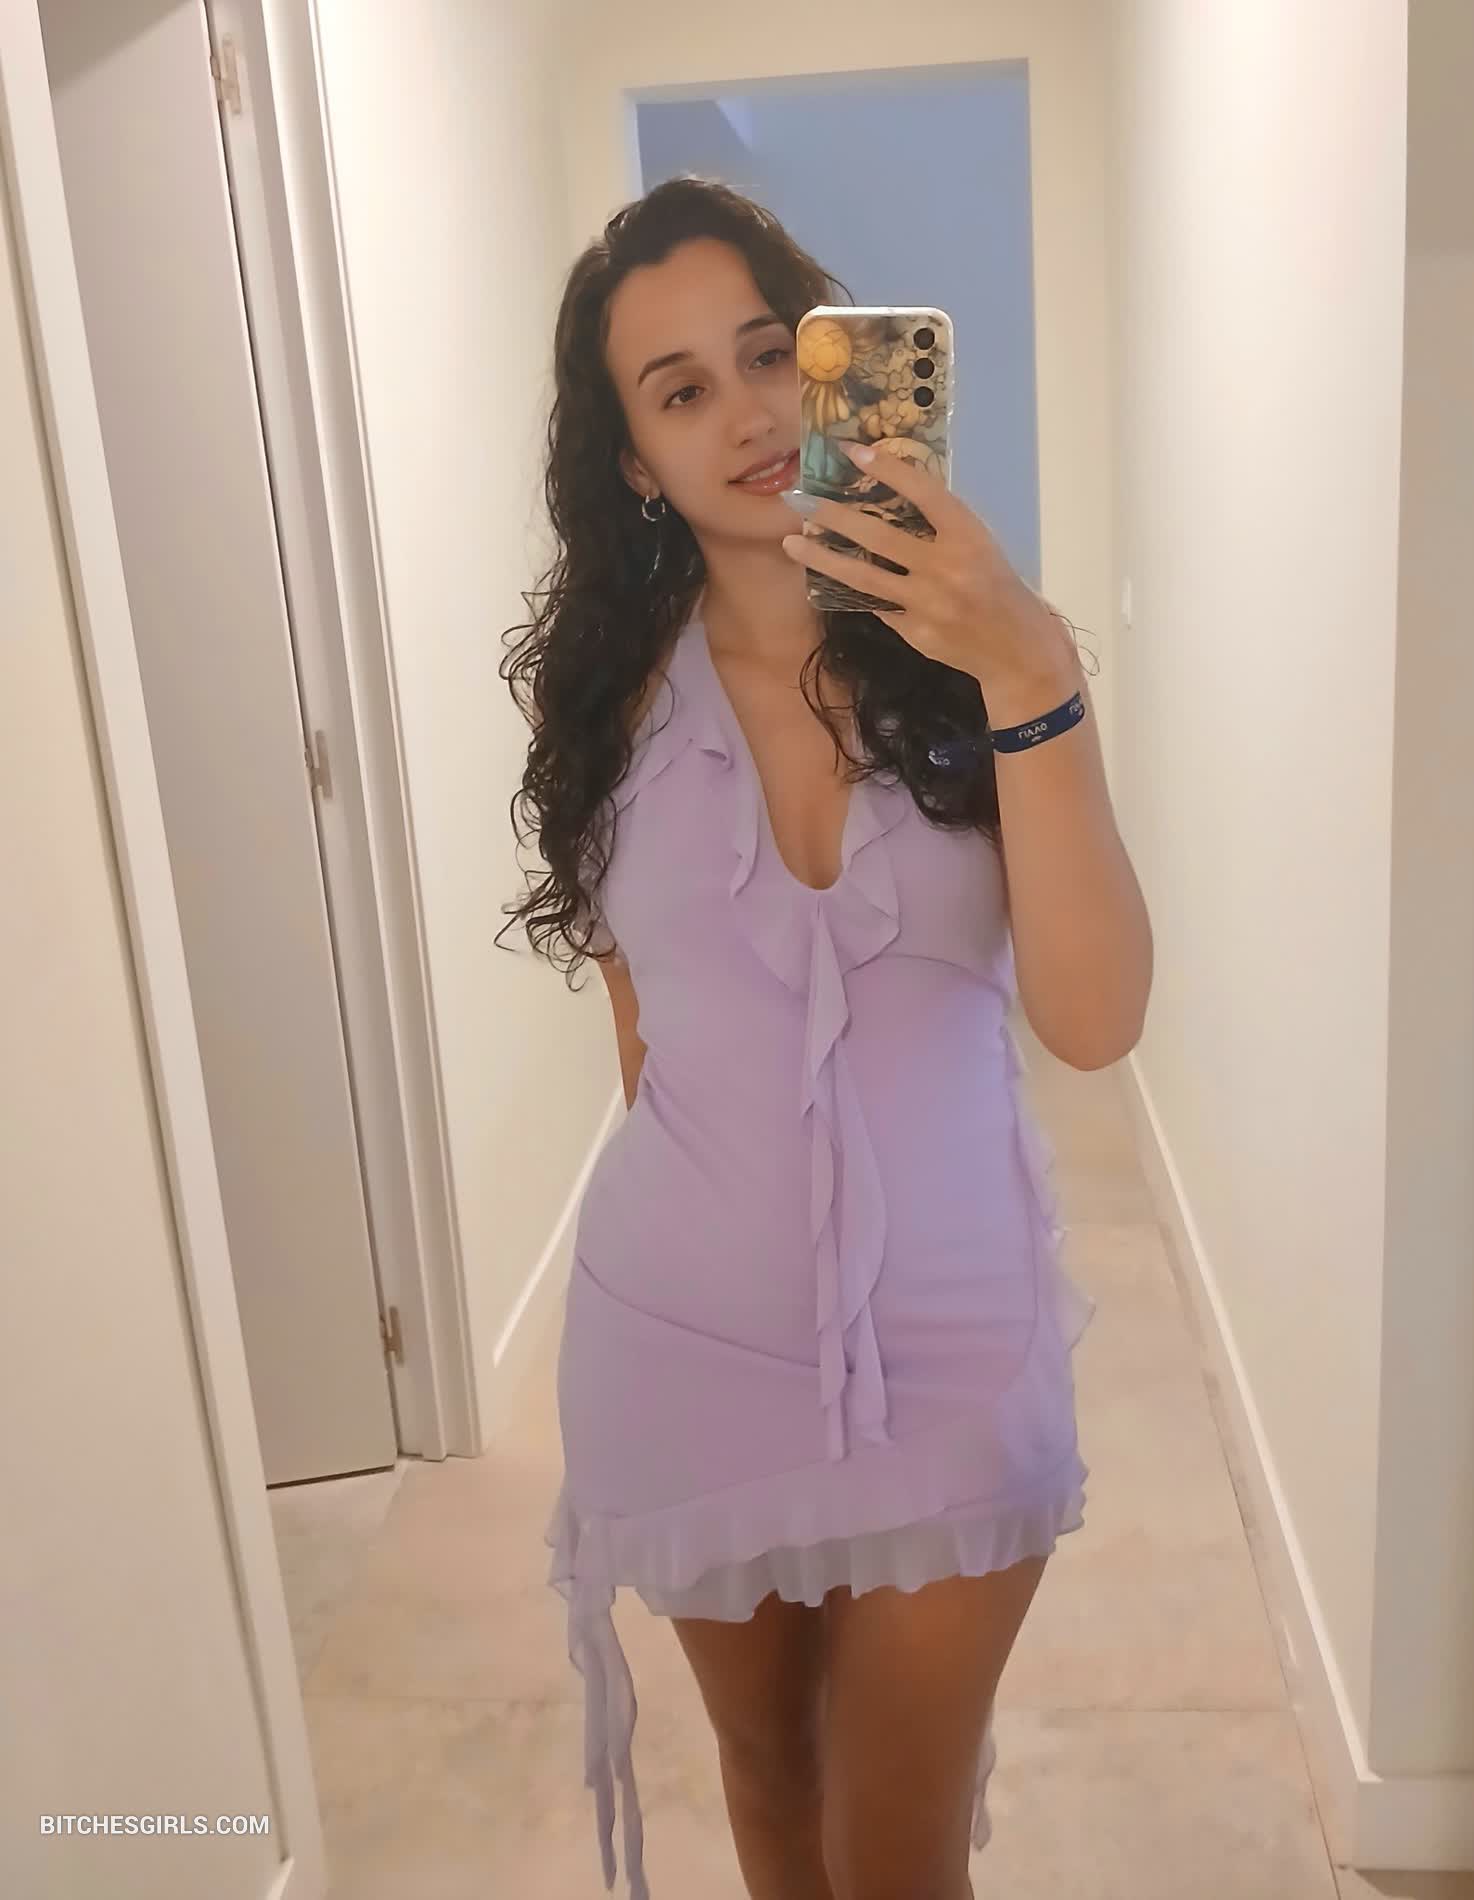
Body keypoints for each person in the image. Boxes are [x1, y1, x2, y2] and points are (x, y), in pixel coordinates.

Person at [500, 176, 1154, 1900]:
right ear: (637, 462)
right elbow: (649, 1048)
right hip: (684, 1345)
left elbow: (1095, 1021)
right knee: (773, 1792)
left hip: (955, 1343)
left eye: (763, 353)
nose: (744, 412)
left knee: (896, 1855)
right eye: (680, 389)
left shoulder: (983, 659)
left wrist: (1033, 672)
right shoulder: (603, 704)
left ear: (829, 359)